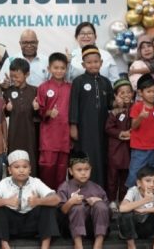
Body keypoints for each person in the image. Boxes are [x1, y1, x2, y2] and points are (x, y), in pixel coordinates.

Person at [0, 150, 61, 249]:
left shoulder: (36, 182)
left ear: (30, 169)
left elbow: (56, 199)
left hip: (32, 225)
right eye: (17, 167)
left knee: (48, 207)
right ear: (9, 170)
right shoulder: (4, 183)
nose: (21, 170)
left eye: (25, 167)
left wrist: (38, 201)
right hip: (11, 226)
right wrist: (6, 201)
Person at [69, 45, 114, 189]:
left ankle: (100, 189)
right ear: (83, 65)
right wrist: (73, 125)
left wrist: (117, 103)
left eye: (96, 62)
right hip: (84, 128)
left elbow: (111, 104)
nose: (93, 65)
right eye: (89, 62)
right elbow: (74, 104)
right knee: (86, 156)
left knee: (101, 157)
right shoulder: (78, 81)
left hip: (102, 127)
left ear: (101, 63)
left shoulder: (106, 82)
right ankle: (83, 188)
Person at [57, 152, 111, 249]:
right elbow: (62, 211)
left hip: (93, 228)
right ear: (71, 171)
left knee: (101, 205)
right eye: (79, 170)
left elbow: (107, 212)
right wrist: (71, 202)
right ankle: (78, 247)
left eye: (86, 169)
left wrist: (99, 201)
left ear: (90, 169)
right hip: (71, 228)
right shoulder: (65, 187)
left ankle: (98, 246)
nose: (83, 173)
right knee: (77, 207)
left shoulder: (96, 187)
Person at [36, 53, 71, 189]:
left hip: (64, 136)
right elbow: (39, 110)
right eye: (56, 68)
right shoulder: (43, 87)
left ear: (66, 69)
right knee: (47, 168)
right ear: (49, 68)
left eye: (62, 68)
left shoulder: (70, 88)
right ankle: (46, 197)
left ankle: (59, 198)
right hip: (48, 137)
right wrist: (49, 112)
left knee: (62, 170)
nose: (59, 71)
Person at [126, 75, 154, 190]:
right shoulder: (137, 107)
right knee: (135, 174)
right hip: (140, 149)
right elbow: (133, 126)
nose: (152, 94)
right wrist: (141, 117)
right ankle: (130, 197)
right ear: (140, 92)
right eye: (149, 91)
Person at [4, 58, 38, 170]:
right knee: (13, 159)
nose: (14, 79)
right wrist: (7, 109)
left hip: (31, 134)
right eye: (12, 76)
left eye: (17, 76)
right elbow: (3, 114)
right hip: (13, 133)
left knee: (31, 158)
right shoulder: (8, 91)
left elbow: (40, 115)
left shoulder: (35, 91)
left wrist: (36, 108)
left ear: (27, 74)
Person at [105, 79, 133, 206]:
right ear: (116, 95)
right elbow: (108, 128)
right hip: (115, 149)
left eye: (129, 92)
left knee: (125, 177)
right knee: (112, 176)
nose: (126, 95)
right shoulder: (114, 111)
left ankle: (122, 200)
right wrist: (121, 133)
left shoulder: (135, 108)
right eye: (122, 93)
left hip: (129, 149)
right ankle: (111, 200)